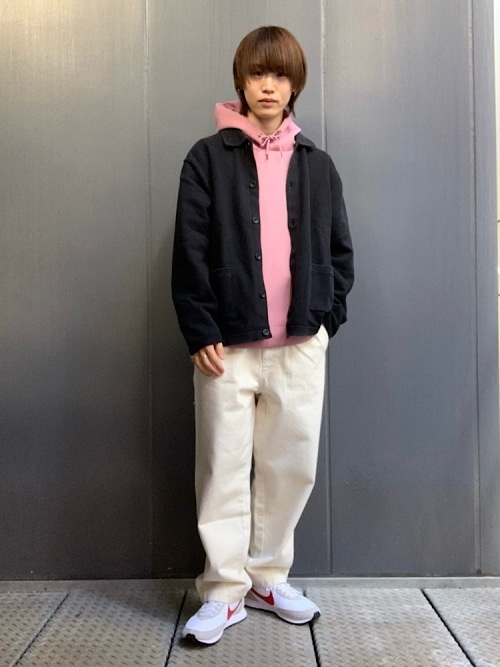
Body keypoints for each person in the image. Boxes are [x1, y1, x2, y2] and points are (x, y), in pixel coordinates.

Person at [171, 25, 354, 645]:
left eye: (280, 74)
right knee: (222, 468)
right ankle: (223, 591)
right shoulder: (207, 158)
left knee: (290, 468)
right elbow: (190, 249)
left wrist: (326, 321)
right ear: (241, 81)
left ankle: (268, 578)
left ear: (294, 83)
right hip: (225, 347)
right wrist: (199, 326)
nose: (268, 85)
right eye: (257, 73)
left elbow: (340, 251)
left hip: (300, 344)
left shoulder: (318, 165)